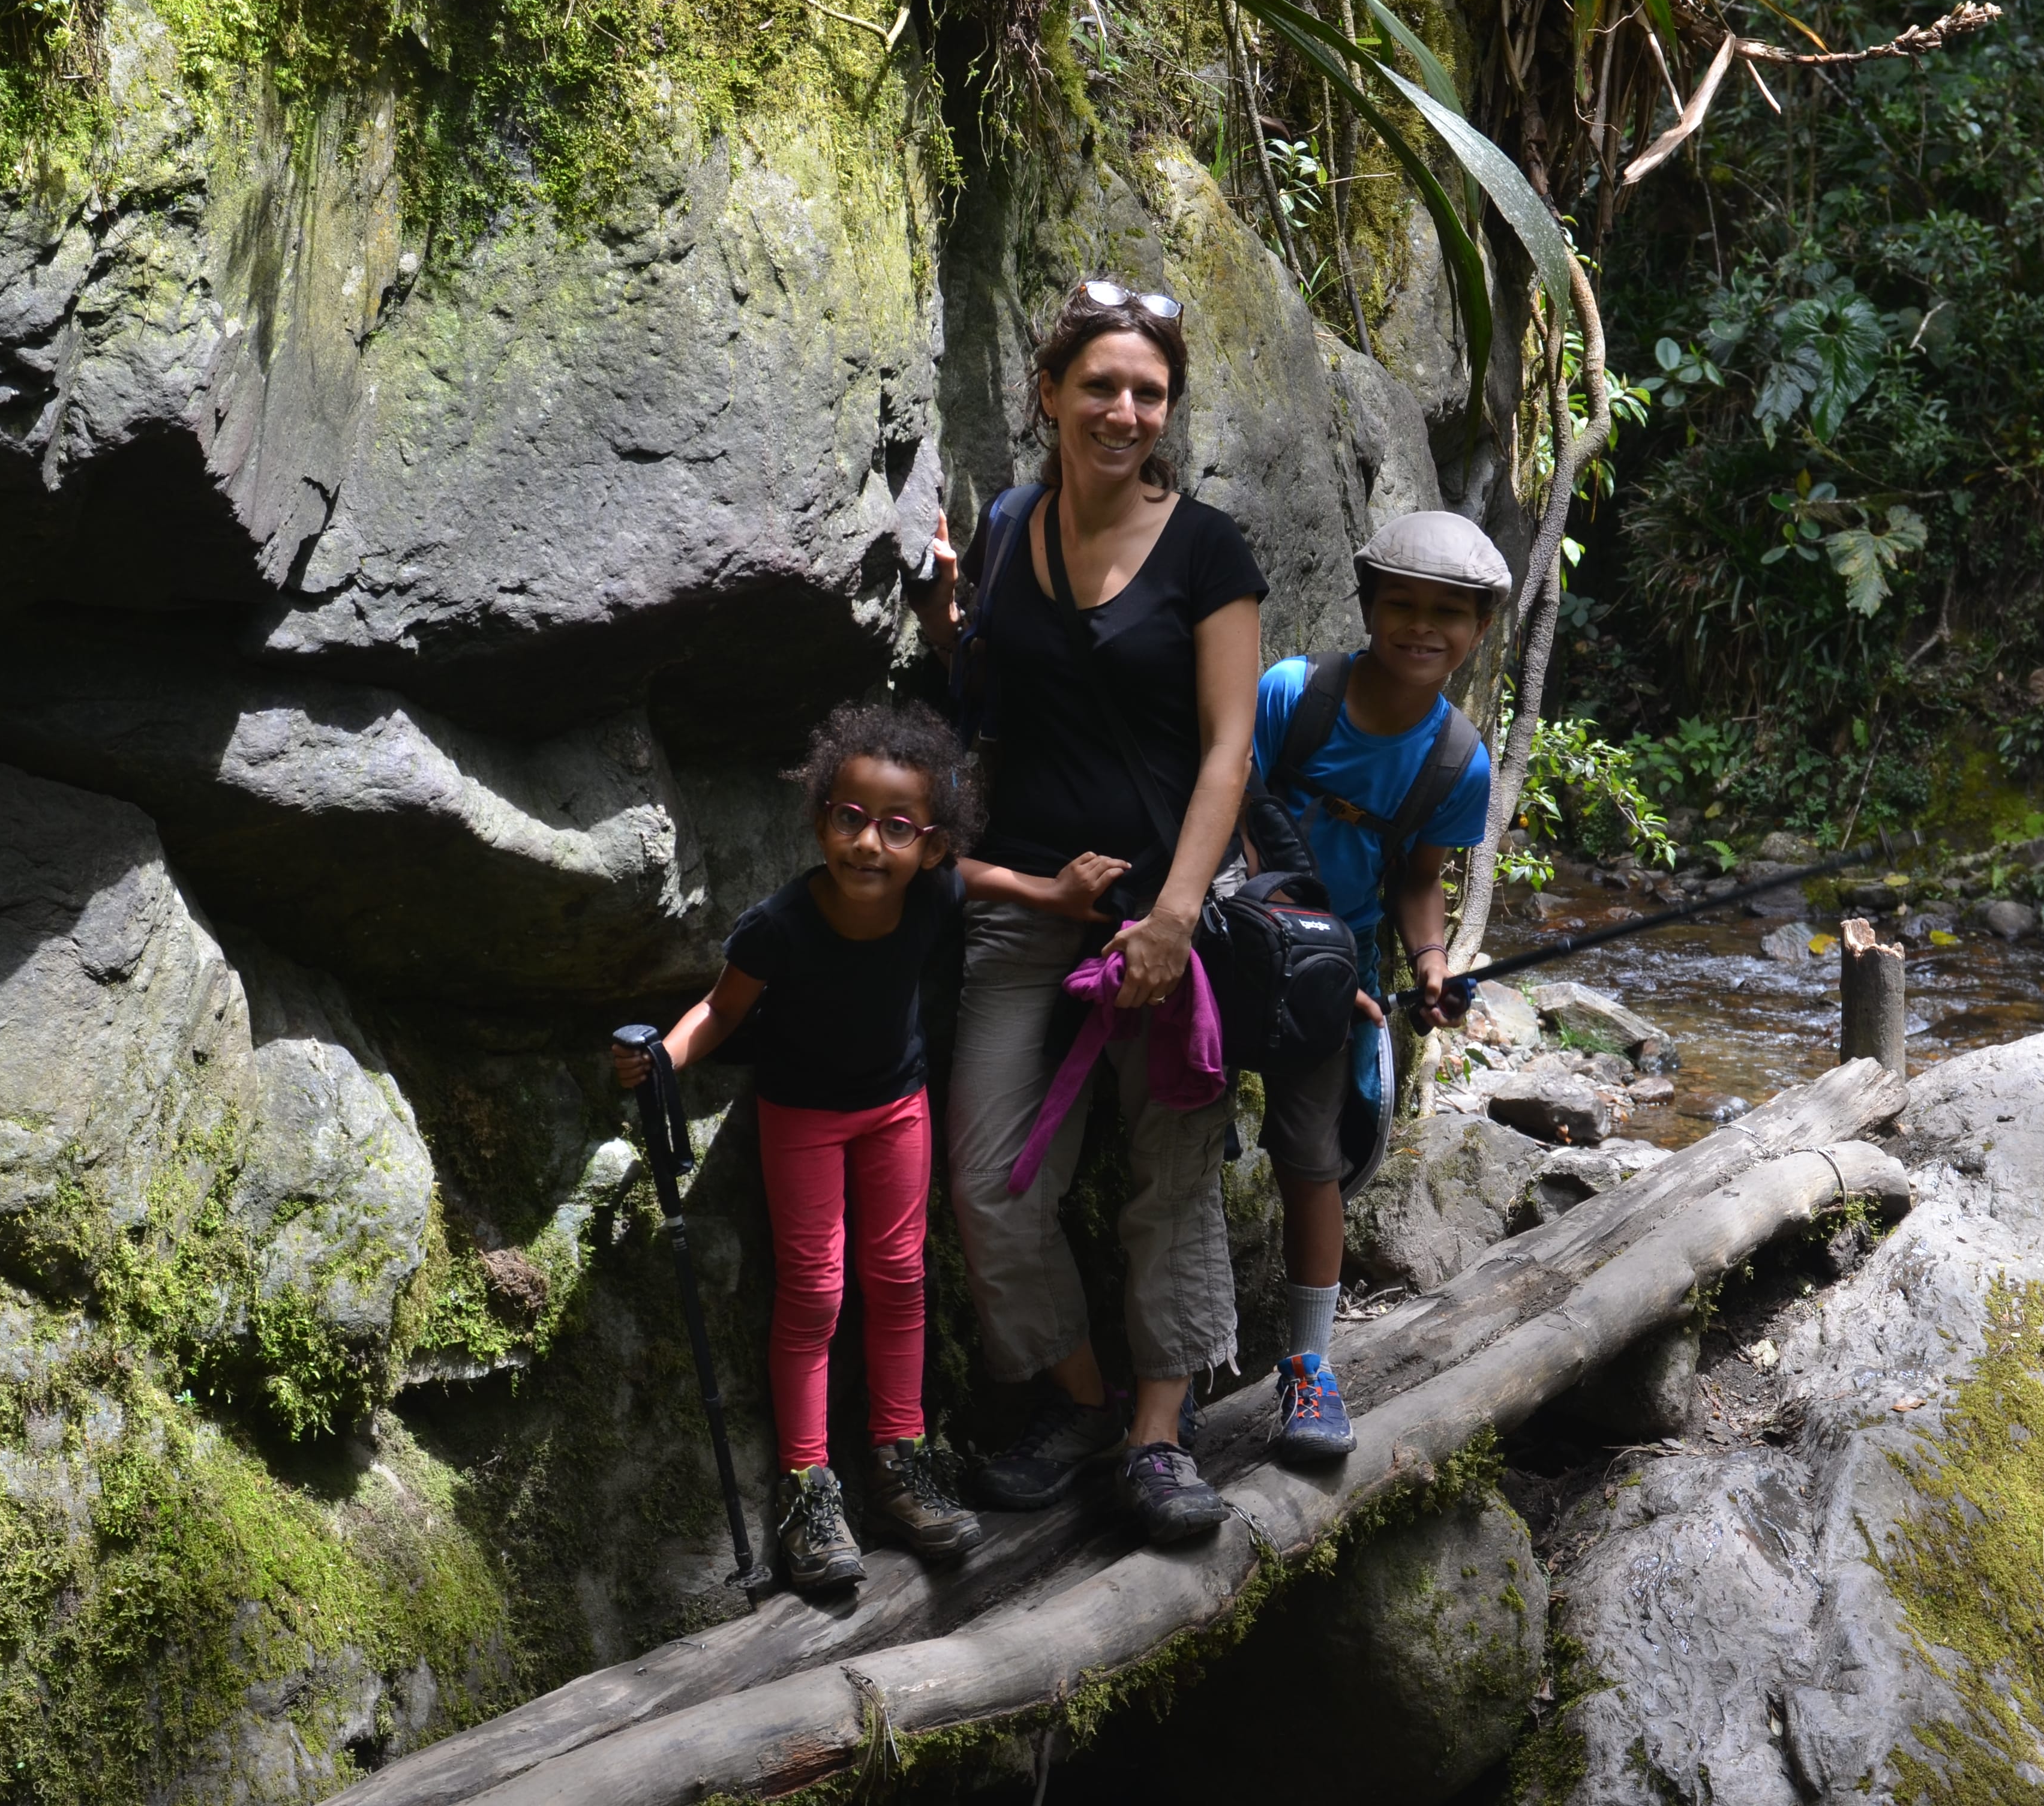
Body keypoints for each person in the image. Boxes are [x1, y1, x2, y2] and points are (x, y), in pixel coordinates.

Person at [906, 280, 1265, 1544]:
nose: (1124, 411)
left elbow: (1228, 750)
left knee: (1170, 1178)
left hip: (1165, 920)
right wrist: (946, 618)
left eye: (1148, 393)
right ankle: (1079, 1400)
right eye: (1101, 386)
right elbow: (994, 692)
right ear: (1050, 393)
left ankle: (1161, 1438)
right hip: (1026, 902)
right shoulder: (1011, 525)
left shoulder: (1208, 550)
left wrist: (1173, 918)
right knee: (988, 1181)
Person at [613, 703, 1119, 1593]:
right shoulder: (779, 925)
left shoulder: (933, 892)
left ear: (928, 845)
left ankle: (900, 1461)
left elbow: (978, 879)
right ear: (820, 822)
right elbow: (722, 1010)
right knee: (815, 1292)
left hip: (896, 1111)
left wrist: (1053, 896)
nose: (868, 844)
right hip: (802, 1117)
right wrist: (663, 1059)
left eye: (897, 828)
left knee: (900, 1280)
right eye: (849, 818)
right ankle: (809, 1488)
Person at [1250, 512, 1506, 1462]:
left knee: (1311, 1155)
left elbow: (1418, 879)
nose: (1423, 626)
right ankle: (1177, 1367)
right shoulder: (1294, 694)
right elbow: (1233, 804)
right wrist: (1279, 936)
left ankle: (1310, 1365)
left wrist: (1432, 961)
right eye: (1403, 604)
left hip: (1342, 963)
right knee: (1186, 1130)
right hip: (1239, 936)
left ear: (1480, 629)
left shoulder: (1458, 760)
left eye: (1450, 613)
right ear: (1368, 606)